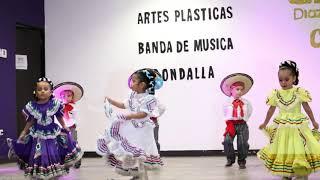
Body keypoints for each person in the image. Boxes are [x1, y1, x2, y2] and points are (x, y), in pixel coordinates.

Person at [7, 77, 83, 179]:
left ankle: (52, 172)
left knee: (52, 152)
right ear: (36, 92)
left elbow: (59, 117)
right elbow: (30, 121)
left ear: (51, 92)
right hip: (37, 134)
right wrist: (24, 131)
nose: (42, 91)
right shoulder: (32, 106)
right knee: (38, 153)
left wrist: (64, 126)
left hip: (51, 134)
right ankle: (41, 171)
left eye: (45, 89)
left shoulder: (55, 104)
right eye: (39, 89)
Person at [97, 68, 164, 180]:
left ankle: (140, 176)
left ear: (142, 85)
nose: (130, 83)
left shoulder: (150, 99)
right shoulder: (132, 95)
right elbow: (124, 105)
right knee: (131, 154)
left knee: (140, 155)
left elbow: (143, 114)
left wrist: (129, 116)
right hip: (132, 128)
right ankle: (138, 175)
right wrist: (111, 101)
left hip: (142, 131)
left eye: (133, 81)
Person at [258, 60, 320, 180]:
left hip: (298, 128)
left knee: (299, 148)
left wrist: (313, 121)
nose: (283, 82)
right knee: (284, 149)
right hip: (283, 130)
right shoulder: (276, 94)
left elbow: (307, 108)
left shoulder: (299, 92)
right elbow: (271, 110)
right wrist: (265, 123)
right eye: (280, 80)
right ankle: (287, 173)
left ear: (294, 78)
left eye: (286, 79)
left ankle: (301, 173)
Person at [220, 73, 253, 169]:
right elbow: (225, 113)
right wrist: (229, 123)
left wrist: (244, 119)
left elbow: (249, 111)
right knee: (227, 141)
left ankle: (242, 160)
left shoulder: (246, 102)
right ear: (231, 90)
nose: (239, 92)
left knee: (242, 143)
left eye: (241, 90)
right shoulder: (227, 103)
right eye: (237, 89)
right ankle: (230, 158)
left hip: (242, 124)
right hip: (231, 124)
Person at [53, 81, 84, 168]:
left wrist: (65, 108)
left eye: (68, 95)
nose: (65, 97)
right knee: (60, 144)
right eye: (63, 96)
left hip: (70, 127)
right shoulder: (58, 106)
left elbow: (68, 118)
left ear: (72, 97)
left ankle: (77, 160)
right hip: (60, 128)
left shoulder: (72, 107)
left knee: (73, 143)